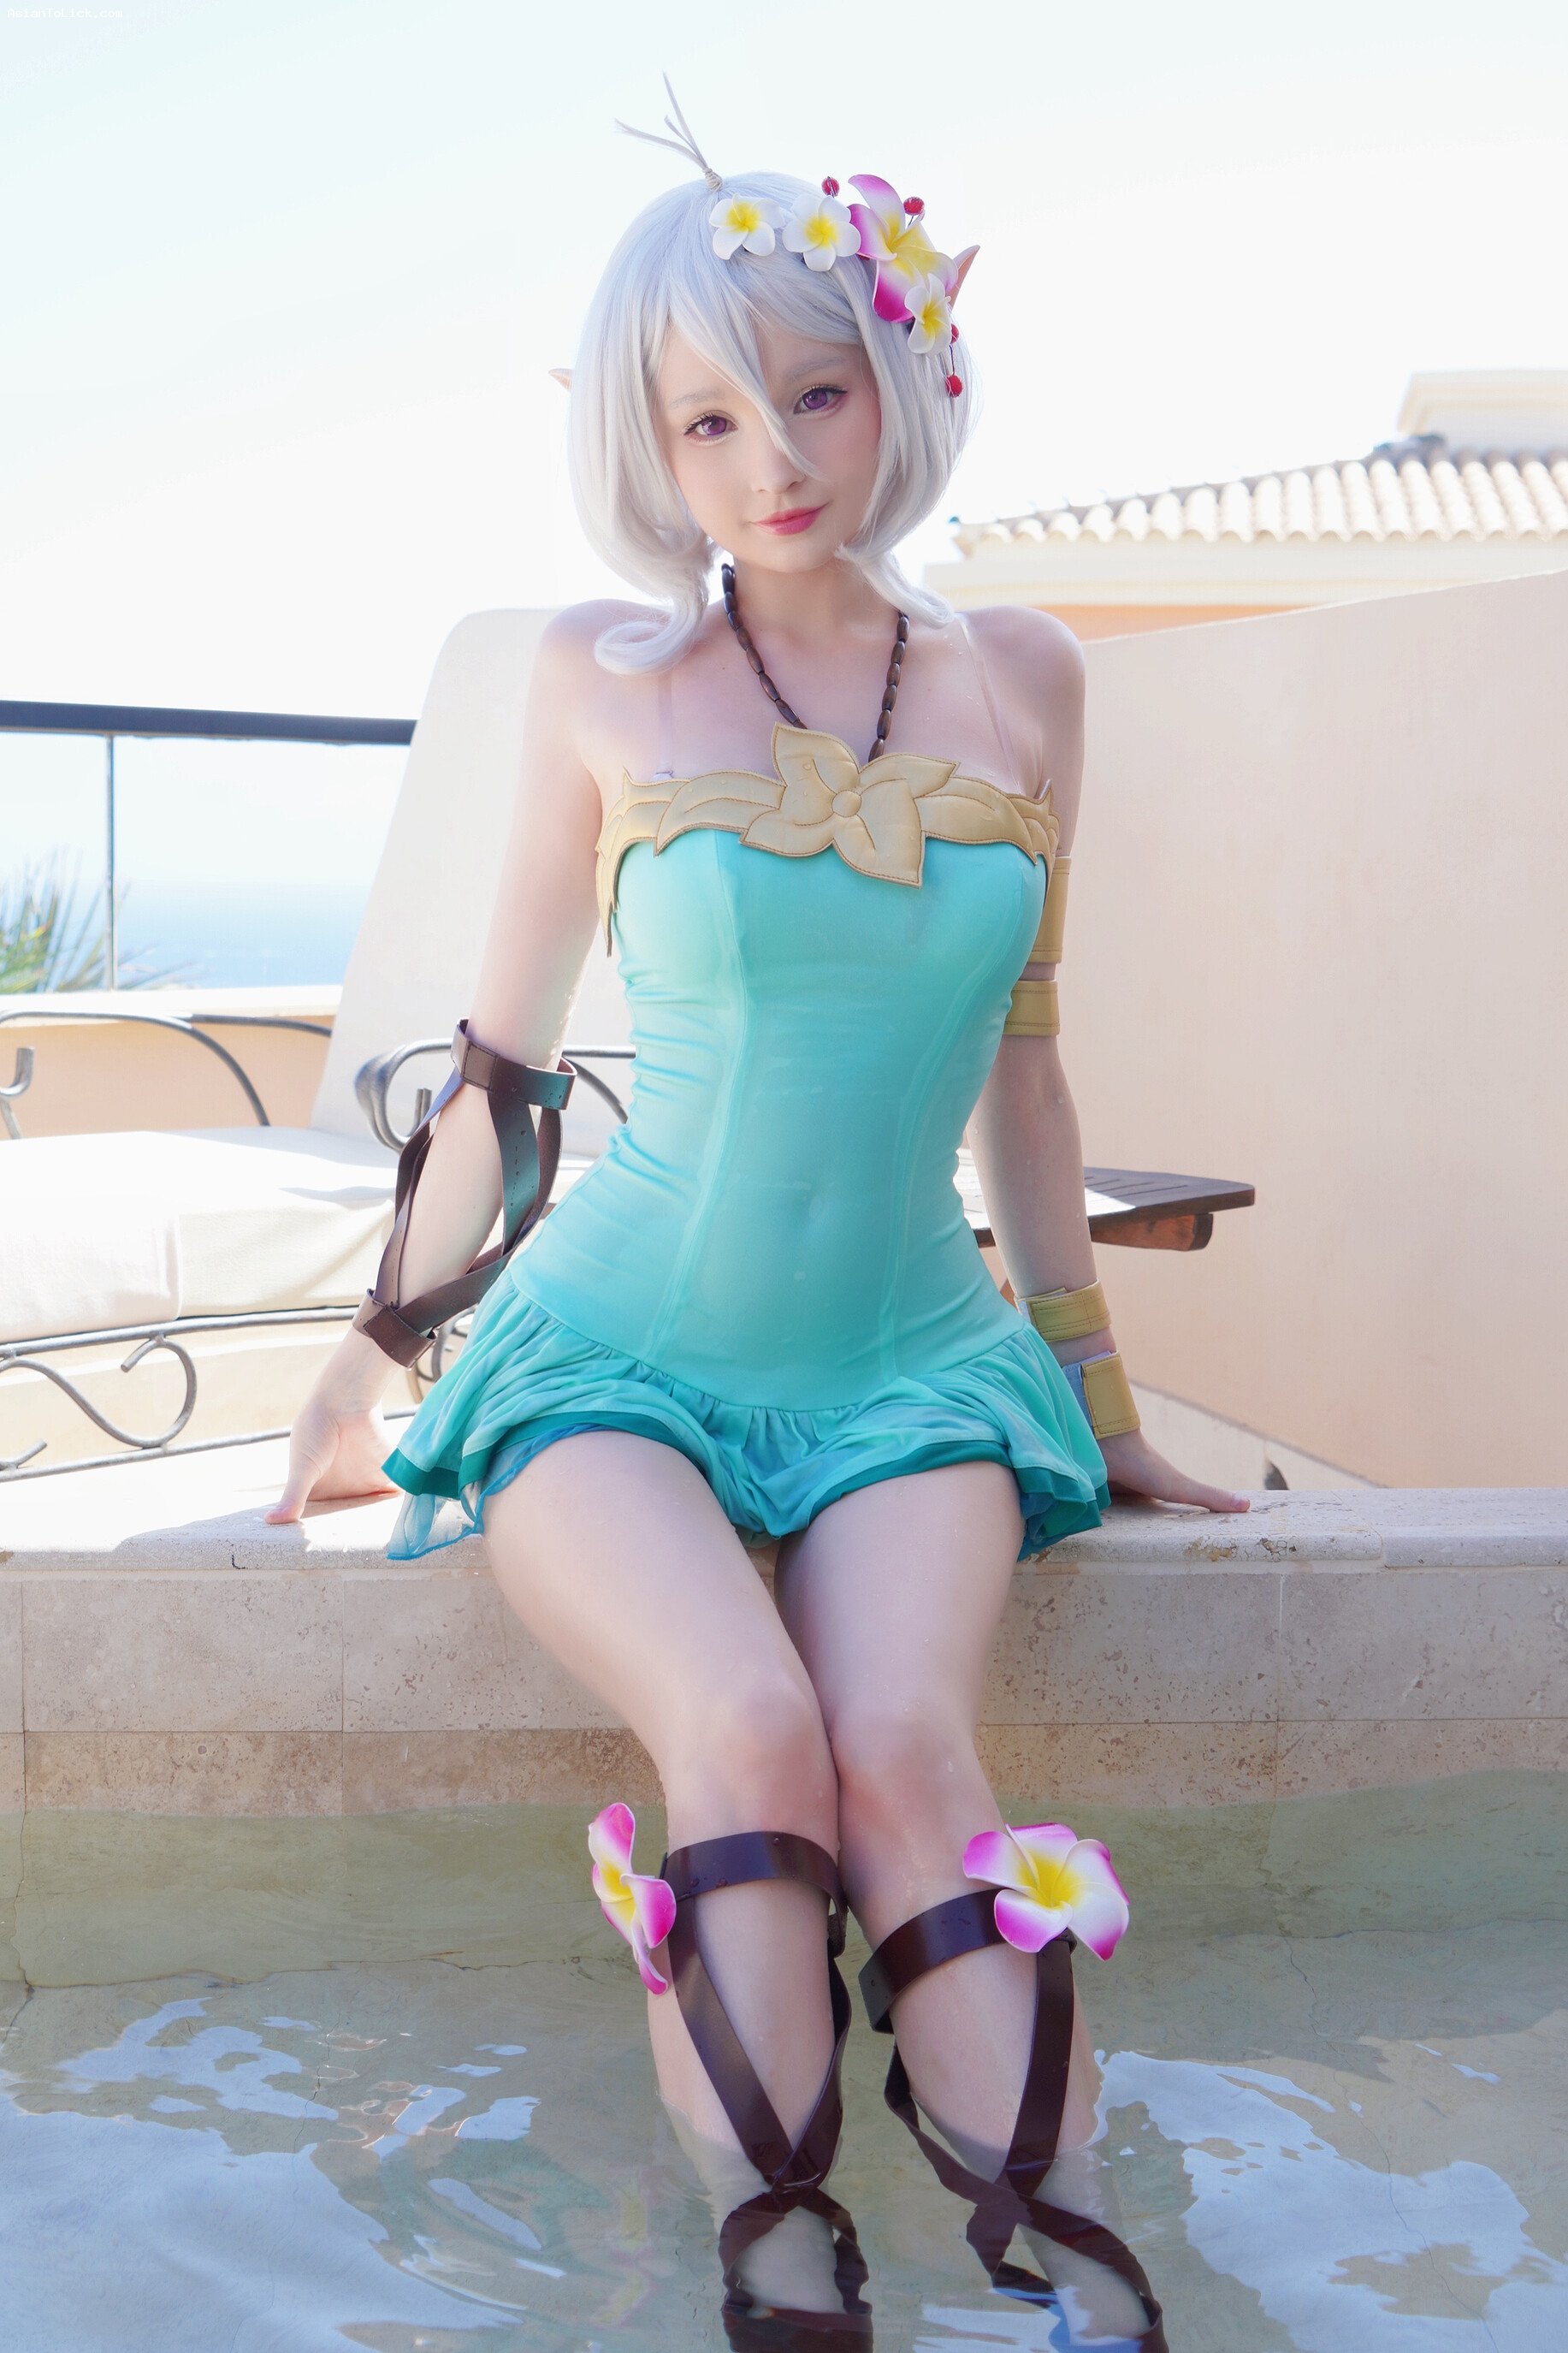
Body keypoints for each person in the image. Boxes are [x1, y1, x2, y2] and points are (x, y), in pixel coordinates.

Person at [269, 88, 1246, 2346]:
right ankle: (785, 2273)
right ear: (644, 441)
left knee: (904, 1752)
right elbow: (499, 1068)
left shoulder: (1026, 676)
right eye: (705, 419)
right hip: (614, 1357)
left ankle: (1083, 2272)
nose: (770, 461)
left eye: (815, 393)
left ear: (903, 379)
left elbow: (1023, 1072)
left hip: (913, 1363)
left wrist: (1104, 1410)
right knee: (744, 1726)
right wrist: (369, 1359)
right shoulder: (598, 678)